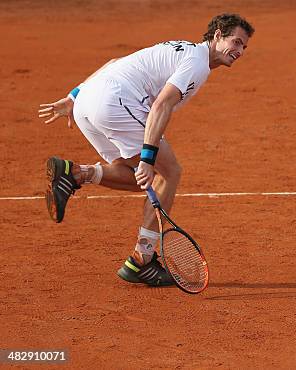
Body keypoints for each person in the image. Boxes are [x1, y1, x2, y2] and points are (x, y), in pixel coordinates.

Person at [38, 13, 254, 286]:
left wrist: (74, 96)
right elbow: (161, 105)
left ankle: (76, 174)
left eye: (244, 47)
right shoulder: (197, 63)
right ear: (218, 35)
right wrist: (149, 158)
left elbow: (113, 62)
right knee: (169, 172)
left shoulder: (181, 49)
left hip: (87, 105)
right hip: (114, 103)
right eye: (236, 42)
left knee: (135, 175)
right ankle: (143, 259)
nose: (239, 51)